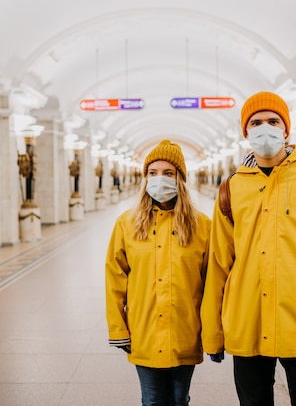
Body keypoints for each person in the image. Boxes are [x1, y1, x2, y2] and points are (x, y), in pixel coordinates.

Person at [200, 91, 296, 406]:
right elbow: (218, 265)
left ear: (286, 129)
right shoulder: (231, 188)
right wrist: (213, 333)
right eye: (255, 122)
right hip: (247, 324)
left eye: (273, 120)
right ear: (246, 133)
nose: (264, 127)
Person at [105, 139, 211, 406]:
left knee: (179, 399)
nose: (159, 179)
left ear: (180, 180)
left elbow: (213, 283)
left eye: (168, 173)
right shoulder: (126, 224)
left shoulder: (203, 226)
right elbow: (115, 278)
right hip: (144, 329)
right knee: (151, 400)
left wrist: (212, 331)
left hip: (186, 330)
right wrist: (118, 329)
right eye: (152, 173)